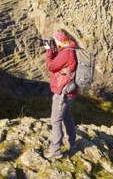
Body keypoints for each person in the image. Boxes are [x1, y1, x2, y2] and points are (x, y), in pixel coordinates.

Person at [44, 28, 78, 159]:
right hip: (70, 91)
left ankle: (56, 150)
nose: (54, 42)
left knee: (56, 120)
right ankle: (72, 143)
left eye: (55, 40)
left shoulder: (66, 52)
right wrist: (53, 50)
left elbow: (50, 66)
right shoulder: (70, 47)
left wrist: (48, 51)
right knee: (67, 116)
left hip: (63, 92)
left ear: (61, 40)